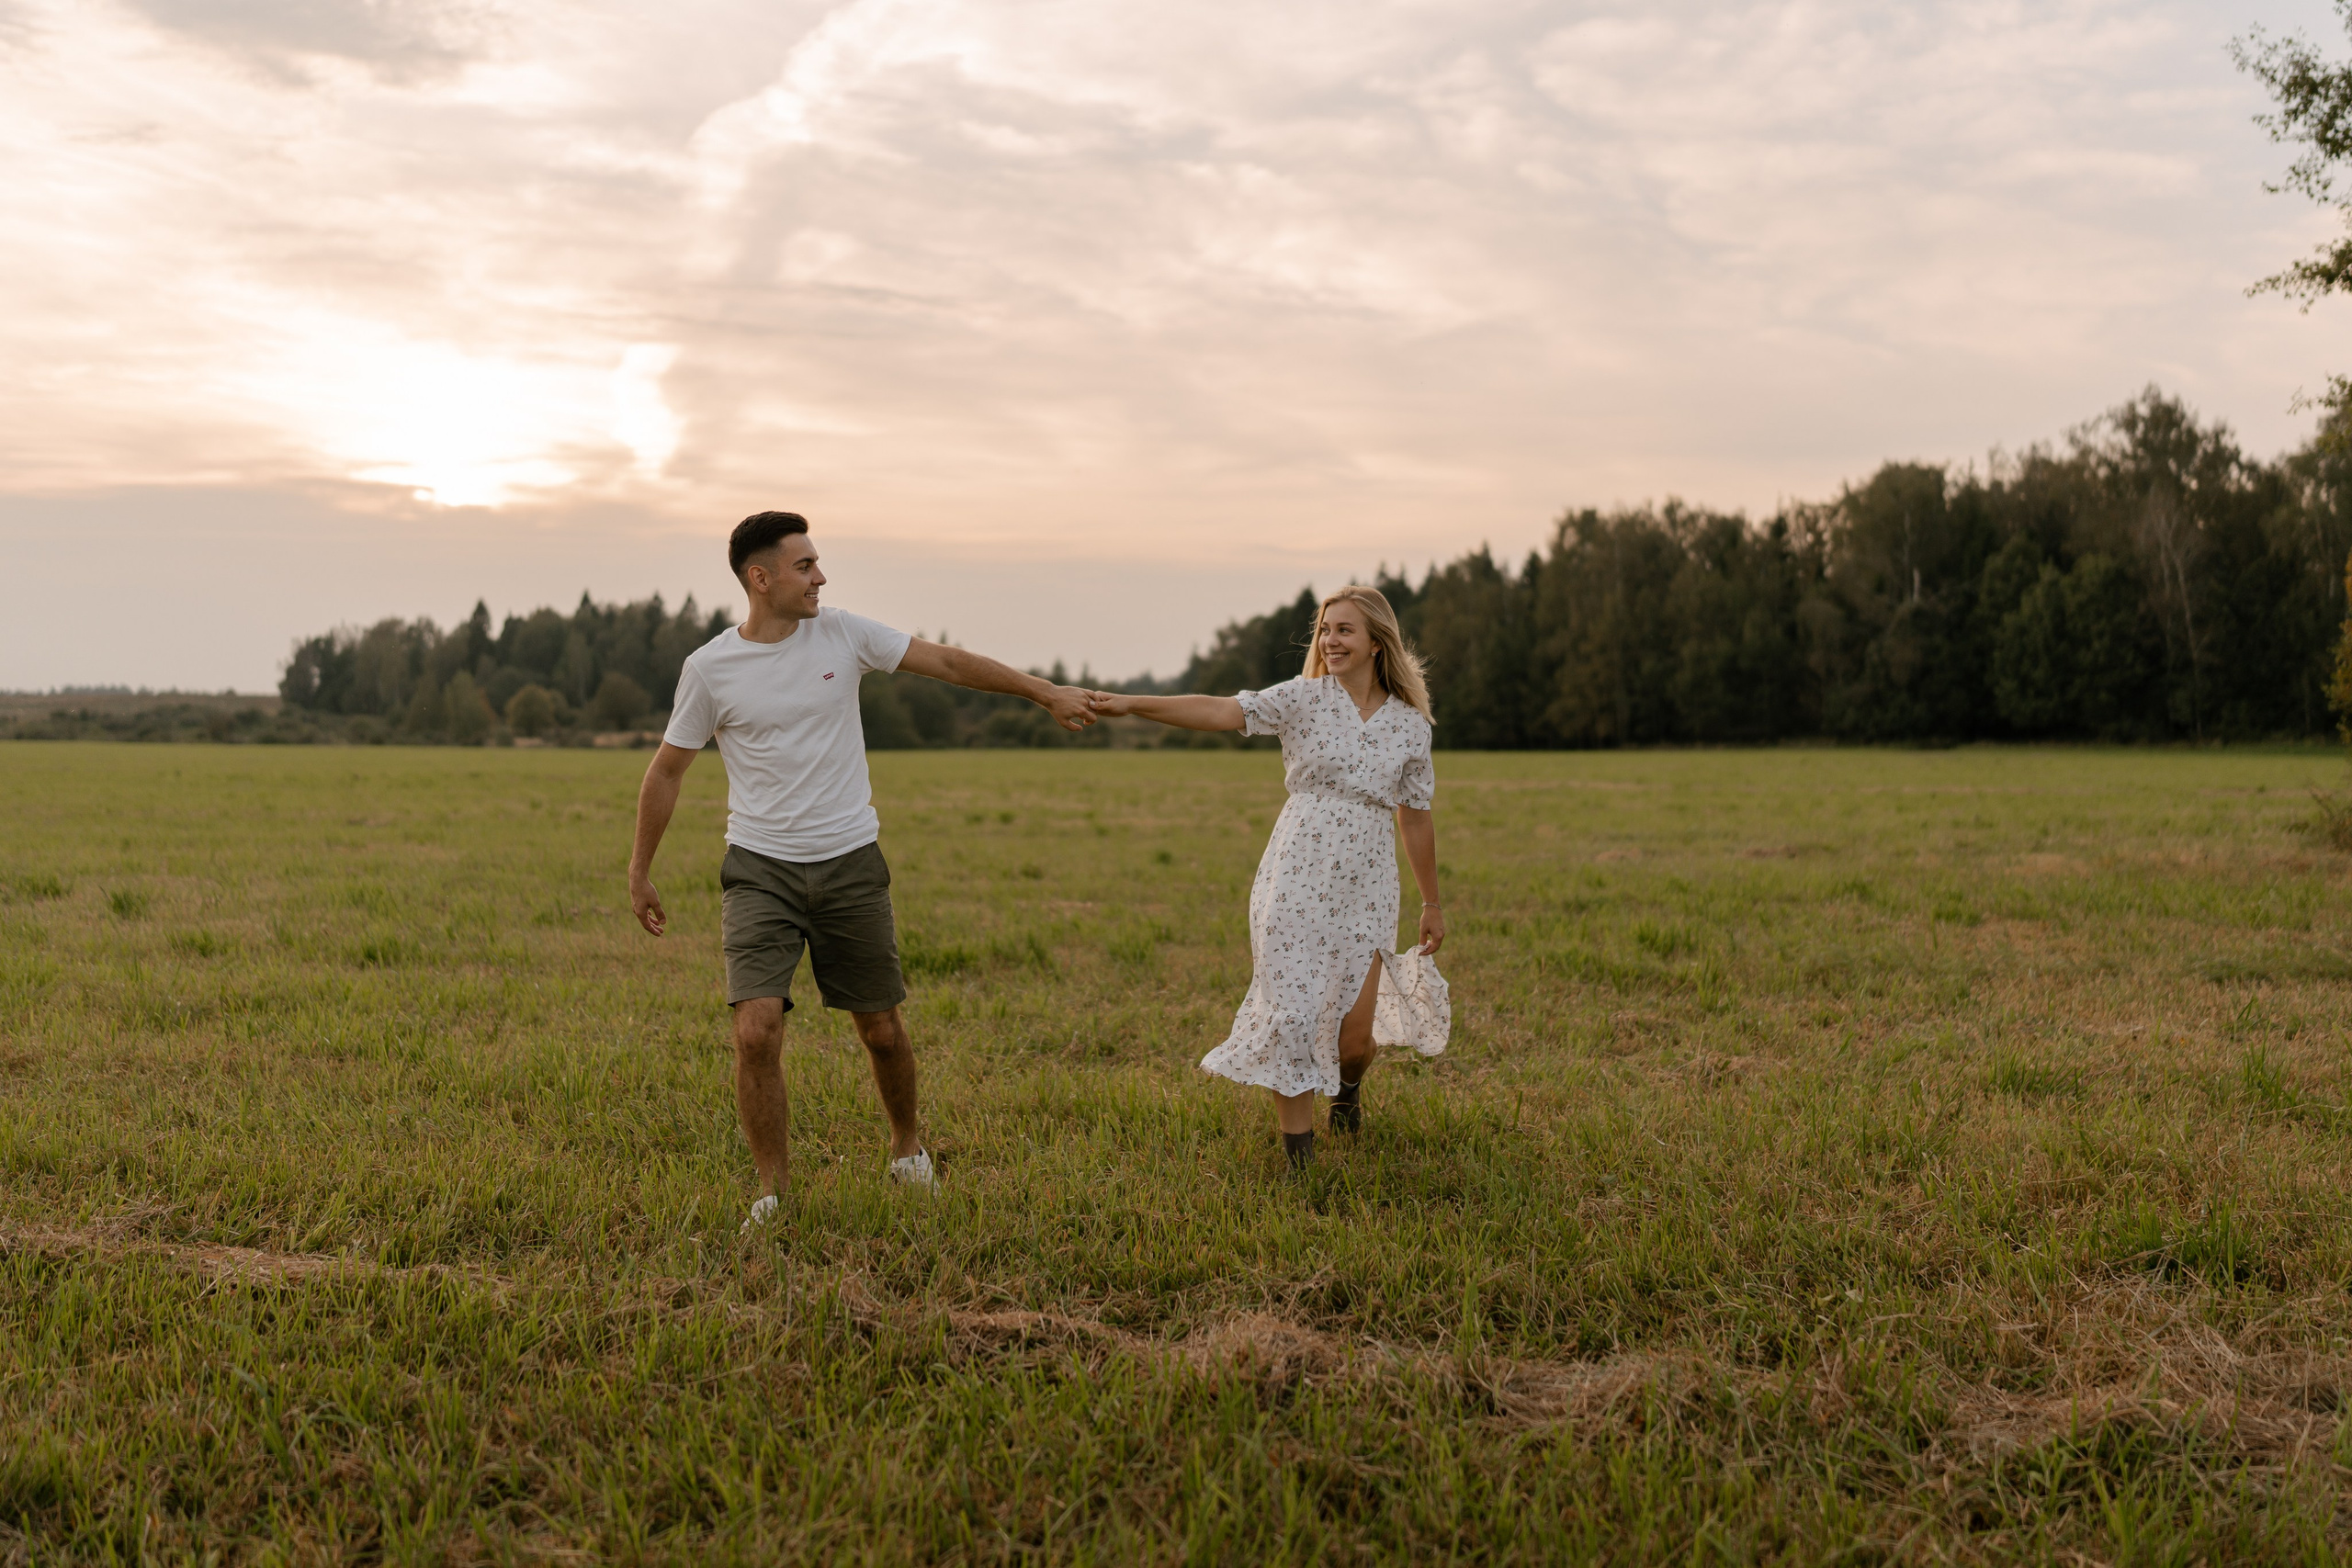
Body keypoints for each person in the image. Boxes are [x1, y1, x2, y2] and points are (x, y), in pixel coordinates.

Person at [628, 511, 1097, 1231]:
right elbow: (667, 769)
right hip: (759, 869)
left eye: (817, 563)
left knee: (879, 1028)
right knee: (755, 1031)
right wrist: (640, 869)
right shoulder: (710, 668)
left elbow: (945, 662)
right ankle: (774, 1194)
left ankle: (908, 1151)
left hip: (849, 861)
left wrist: (1045, 692)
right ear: (761, 578)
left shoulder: (844, 634)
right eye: (805, 565)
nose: (821, 577)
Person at [1088, 586, 1449, 1167]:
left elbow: (1417, 816)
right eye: (1326, 629)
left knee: (1354, 1041)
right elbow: (1217, 709)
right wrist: (1131, 704)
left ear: (1378, 642)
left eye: (1345, 630)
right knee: (1294, 1013)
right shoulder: (1302, 699)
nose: (1330, 640)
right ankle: (1299, 1162)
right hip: (1296, 872)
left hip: (1368, 884)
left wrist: (1432, 903)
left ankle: (1348, 1092)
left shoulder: (1411, 727)